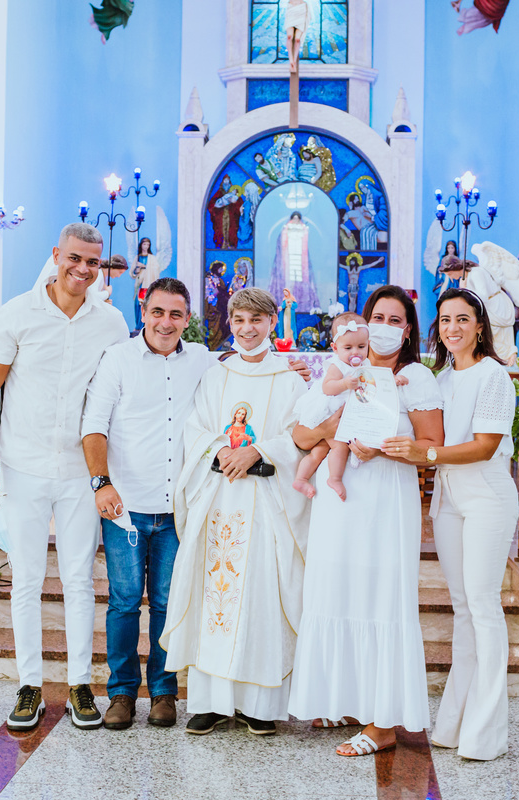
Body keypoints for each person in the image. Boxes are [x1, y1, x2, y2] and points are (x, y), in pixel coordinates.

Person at [0, 222, 129, 733]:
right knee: (28, 578)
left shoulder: (111, 322)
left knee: (80, 579)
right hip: (24, 466)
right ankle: (29, 686)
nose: (83, 269)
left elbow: (119, 396)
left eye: (93, 262)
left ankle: (81, 684)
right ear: (57, 254)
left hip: (81, 471)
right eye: (75, 258)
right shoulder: (16, 314)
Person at [288, 285, 444, 757]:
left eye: (395, 320)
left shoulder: (414, 376)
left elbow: (431, 446)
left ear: (408, 329)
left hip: (384, 497)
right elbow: (301, 433)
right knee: (338, 592)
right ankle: (347, 701)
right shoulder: (342, 370)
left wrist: (383, 447)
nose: (384, 326)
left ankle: (382, 725)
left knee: (380, 601)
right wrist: (336, 427)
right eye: (378, 315)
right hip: (340, 501)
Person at [160, 287, 310, 737]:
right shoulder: (215, 375)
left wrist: (258, 451)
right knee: (216, 597)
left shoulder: (290, 378)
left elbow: (300, 436)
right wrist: (224, 449)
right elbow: (196, 429)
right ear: (230, 321)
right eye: (239, 320)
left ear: (271, 323)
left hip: (266, 500)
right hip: (220, 498)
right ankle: (210, 703)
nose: (247, 330)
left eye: (256, 321)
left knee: (259, 596)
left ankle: (260, 705)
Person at [80, 278, 220, 731]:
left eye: (176, 314)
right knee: (123, 601)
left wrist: (285, 369)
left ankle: (163, 692)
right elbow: (94, 425)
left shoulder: (200, 358)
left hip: (177, 506)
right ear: (145, 311)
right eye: (158, 312)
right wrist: (101, 484)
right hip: (126, 506)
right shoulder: (118, 359)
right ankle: (121, 693)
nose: (166, 322)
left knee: (165, 601)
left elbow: (242, 375)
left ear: (187, 318)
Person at [384, 287, 517, 761]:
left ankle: (486, 732)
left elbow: (483, 445)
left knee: (483, 607)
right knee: (462, 607)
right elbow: (414, 422)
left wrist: (429, 454)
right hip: (447, 501)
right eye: (444, 321)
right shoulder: (437, 380)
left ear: (480, 326)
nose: (453, 328)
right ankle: (455, 723)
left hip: (486, 498)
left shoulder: (494, 377)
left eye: (463, 319)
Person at [291, 313, 409, 502]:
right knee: (339, 447)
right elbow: (327, 387)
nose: (356, 352)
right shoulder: (337, 365)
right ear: (335, 348)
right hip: (329, 410)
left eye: (361, 347)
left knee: (319, 451)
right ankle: (335, 479)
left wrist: (393, 380)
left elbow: (374, 381)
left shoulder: (365, 364)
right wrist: (344, 384)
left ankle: (301, 479)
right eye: (348, 347)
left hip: (344, 411)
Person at [268, 212, 320, 309]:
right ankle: (286, 302)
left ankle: (299, 304)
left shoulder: (304, 230)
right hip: (288, 260)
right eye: (294, 218)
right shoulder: (285, 230)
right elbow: (280, 247)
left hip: (300, 261)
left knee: (300, 283)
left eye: (297, 219)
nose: (295, 221)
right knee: (289, 281)